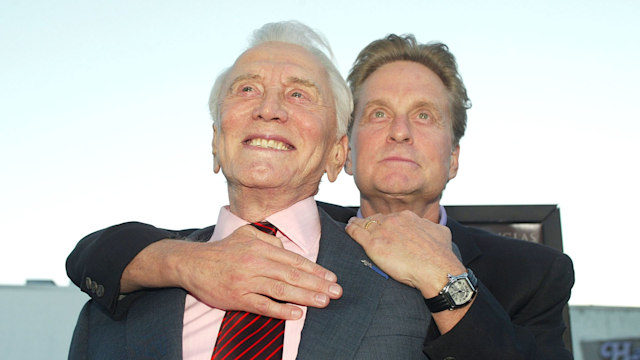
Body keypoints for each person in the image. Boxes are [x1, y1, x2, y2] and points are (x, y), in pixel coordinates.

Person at [68, 29, 575, 359]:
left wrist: (448, 281)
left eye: (424, 115)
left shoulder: (517, 278)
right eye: (376, 114)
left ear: (456, 156)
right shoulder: (138, 290)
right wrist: (181, 263)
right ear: (345, 153)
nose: (399, 132)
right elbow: (97, 254)